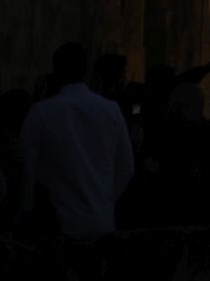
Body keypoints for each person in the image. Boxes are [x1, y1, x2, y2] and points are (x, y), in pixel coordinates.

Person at [18, 42, 135, 235]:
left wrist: (26, 208)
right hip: (101, 220)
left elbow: (27, 167)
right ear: (85, 71)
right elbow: (126, 167)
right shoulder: (111, 110)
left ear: (56, 71)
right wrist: (104, 199)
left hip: (57, 222)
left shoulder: (41, 112)